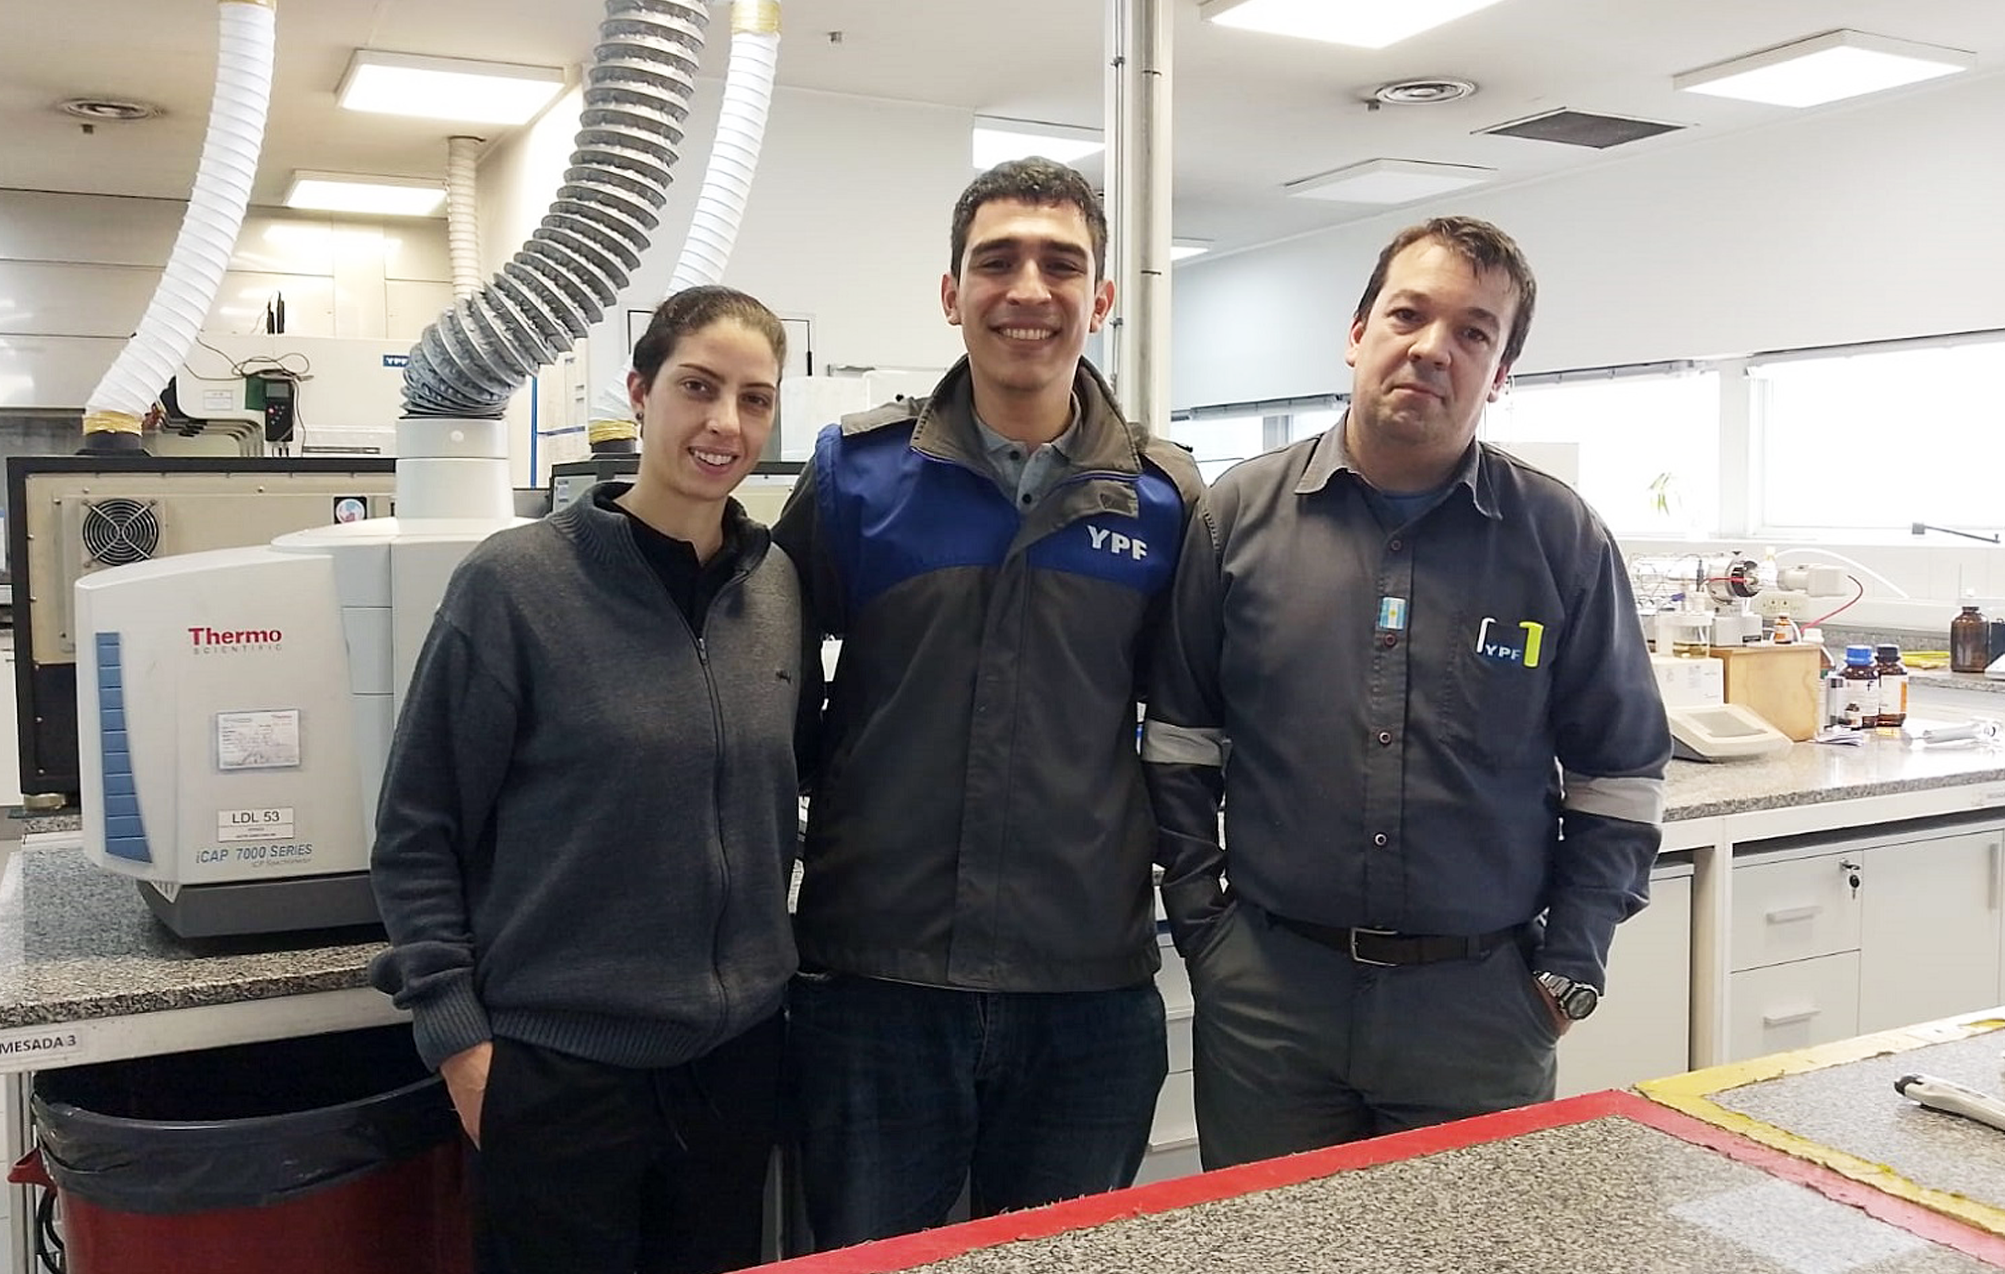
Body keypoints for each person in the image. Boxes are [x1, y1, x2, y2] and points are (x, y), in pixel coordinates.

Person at [1142, 216, 1670, 1169]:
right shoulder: (1237, 517)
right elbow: (1180, 739)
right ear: (1357, 333)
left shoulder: (1558, 538)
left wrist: (1570, 963)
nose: (1433, 348)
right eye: (1408, 314)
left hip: (1478, 1009)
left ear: (1499, 371)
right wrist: (1204, 931)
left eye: (1474, 332)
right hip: (1270, 998)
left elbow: (1620, 773)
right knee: (1264, 1252)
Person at [774, 157, 1203, 1248]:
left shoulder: (1165, 500)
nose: (1028, 289)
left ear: (1100, 299)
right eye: (995, 261)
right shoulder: (857, 474)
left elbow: (1197, 729)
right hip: (877, 976)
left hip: (1085, 984)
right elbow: (759, 689)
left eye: (1062, 264)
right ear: (950, 291)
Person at [368, 285, 808, 1274]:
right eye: (697, 387)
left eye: (754, 398)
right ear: (640, 393)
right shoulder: (516, 583)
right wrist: (458, 1042)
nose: (723, 423)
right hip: (562, 1075)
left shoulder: (773, 586)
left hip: (732, 1065)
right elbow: (416, 827)